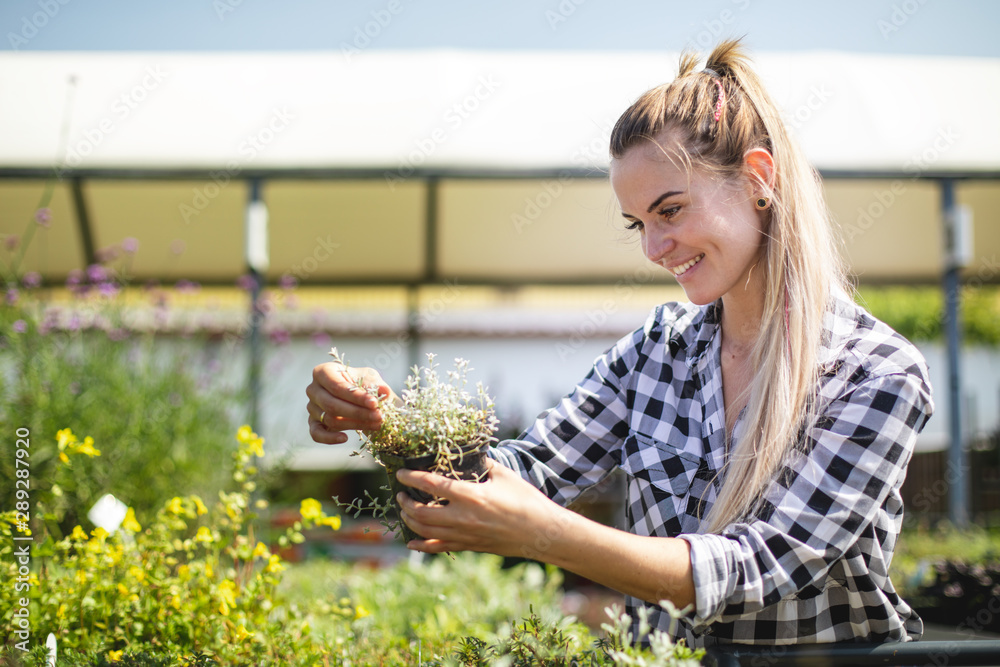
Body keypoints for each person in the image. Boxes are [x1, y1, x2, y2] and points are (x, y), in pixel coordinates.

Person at [305, 39, 933, 647]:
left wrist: (547, 537)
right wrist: (386, 417)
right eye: (638, 223)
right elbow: (530, 472)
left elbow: (759, 571)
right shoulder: (655, 352)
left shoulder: (875, 373)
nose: (654, 250)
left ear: (757, 179)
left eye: (671, 211)